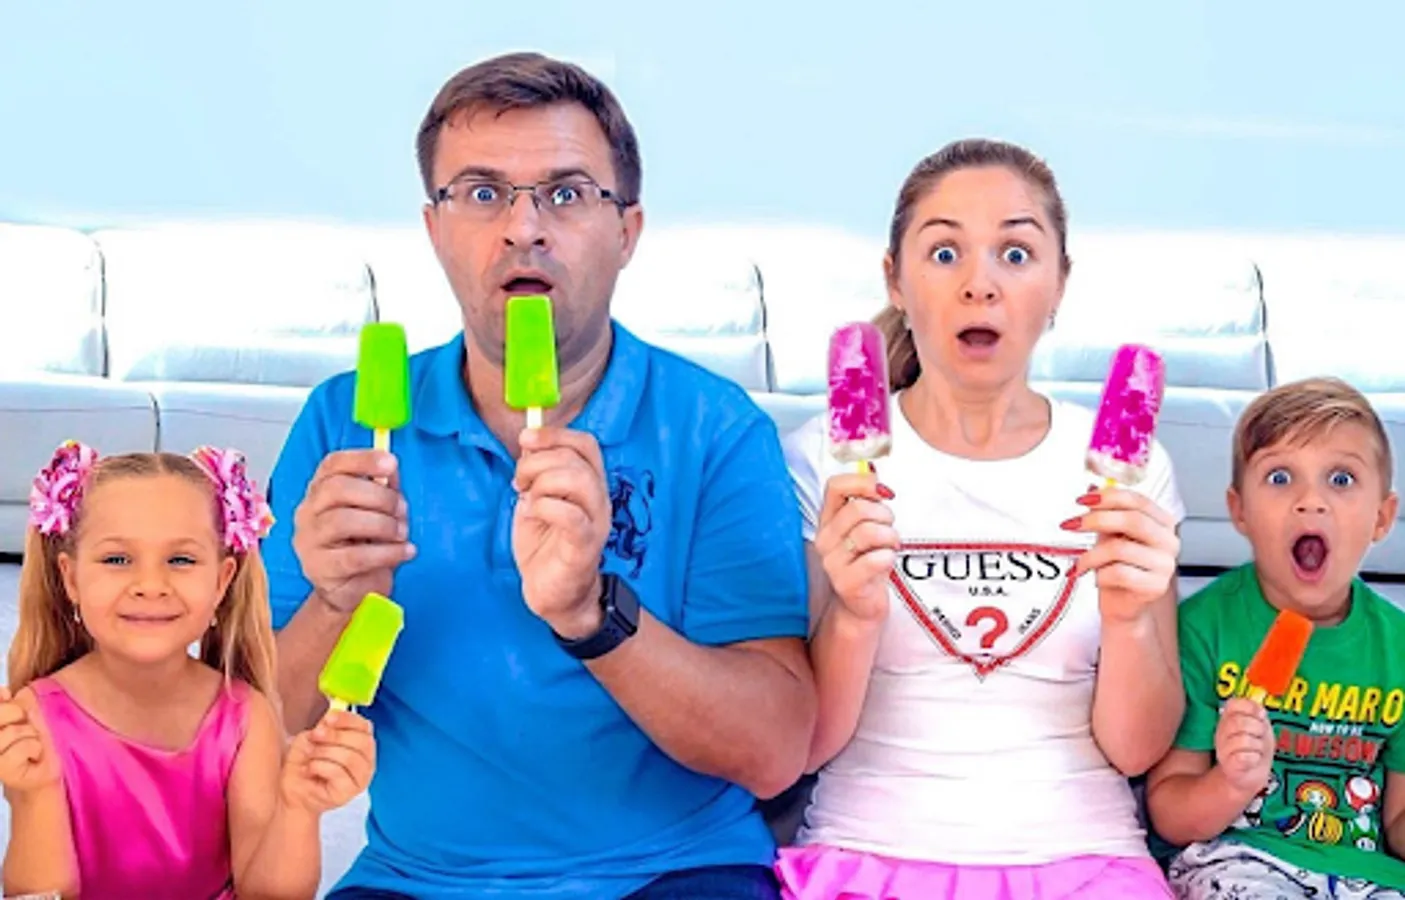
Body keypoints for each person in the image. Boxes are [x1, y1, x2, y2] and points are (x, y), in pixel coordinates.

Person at [260, 51, 816, 899]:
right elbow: (248, 734)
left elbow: (774, 752)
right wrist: (335, 606)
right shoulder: (348, 427)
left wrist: (591, 615)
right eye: (482, 193)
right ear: (434, 230)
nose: (523, 228)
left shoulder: (714, 428)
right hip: (417, 879)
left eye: (566, 193)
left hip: (675, 872)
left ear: (627, 232)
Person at [776, 138, 1186, 899]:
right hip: (865, 854)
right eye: (943, 253)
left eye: (1016, 254)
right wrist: (855, 615)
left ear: (1059, 283)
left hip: (1086, 860)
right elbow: (802, 748)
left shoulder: (1130, 472)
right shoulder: (820, 461)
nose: (979, 284)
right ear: (894, 281)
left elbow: (1137, 751)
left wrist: (1129, 621)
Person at [0, 441, 374, 899]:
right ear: (71, 578)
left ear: (221, 581)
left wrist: (299, 809)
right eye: (117, 559)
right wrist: (36, 794)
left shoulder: (244, 718)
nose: (151, 585)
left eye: (181, 560)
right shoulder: (36, 718)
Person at [1147, 377, 1405, 899]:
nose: (1311, 501)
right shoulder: (1202, 629)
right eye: (1280, 477)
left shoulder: (1397, 646)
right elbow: (1169, 815)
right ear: (1239, 509)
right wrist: (1231, 783)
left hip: (1370, 877)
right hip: (1239, 859)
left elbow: (1397, 821)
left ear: (1382, 517)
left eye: (1341, 478)